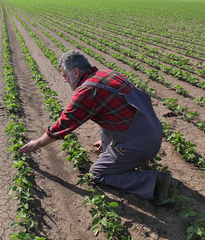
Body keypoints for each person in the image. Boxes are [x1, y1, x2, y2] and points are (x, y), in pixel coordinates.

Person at [20, 50, 171, 205]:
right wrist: (107, 139)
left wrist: (37, 144)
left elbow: (62, 126)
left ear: (76, 72)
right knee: (104, 117)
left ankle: (155, 183)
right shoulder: (108, 74)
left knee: (97, 173)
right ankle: (117, 152)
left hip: (142, 144)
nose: (64, 81)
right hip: (153, 129)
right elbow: (122, 109)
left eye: (65, 76)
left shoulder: (86, 91)